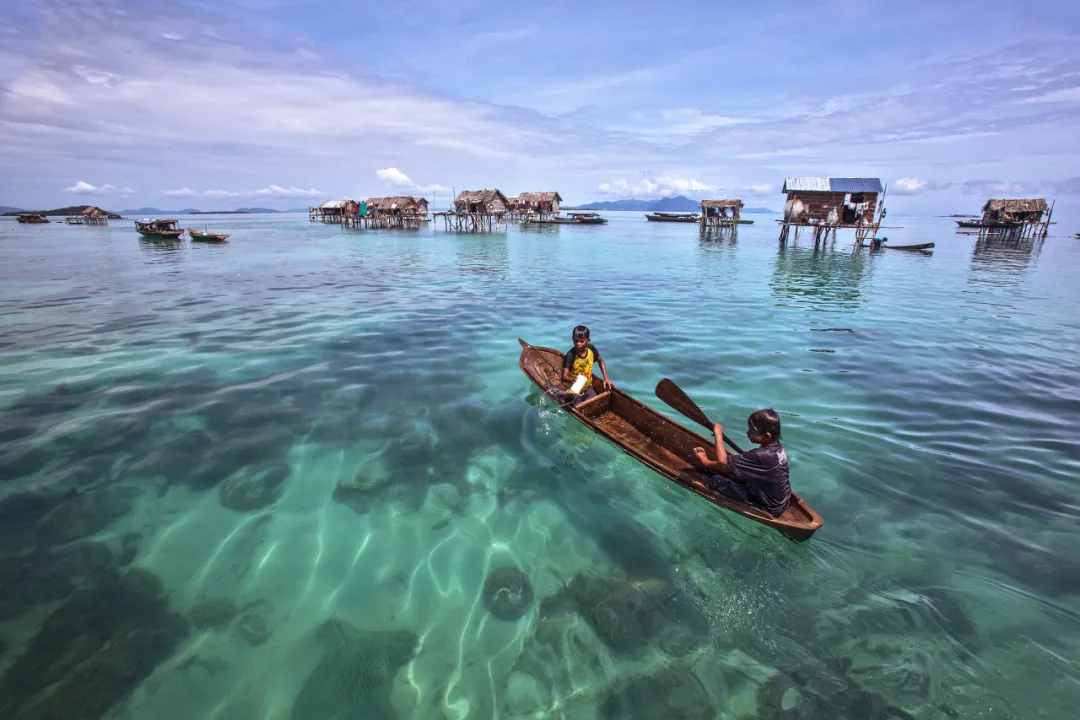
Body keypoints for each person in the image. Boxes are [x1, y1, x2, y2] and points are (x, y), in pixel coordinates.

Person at [690, 409, 791, 517]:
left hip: (766, 507)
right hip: (784, 501)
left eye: (751, 432)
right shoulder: (779, 448)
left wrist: (718, 434)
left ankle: (705, 464)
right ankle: (708, 464)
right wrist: (749, 457)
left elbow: (722, 462)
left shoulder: (759, 456)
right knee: (737, 469)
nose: (747, 433)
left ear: (767, 436)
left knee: (716, 480)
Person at [561, 325, 613, 405]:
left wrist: (605, 378)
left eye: (581, 341)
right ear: (572, 339)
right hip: (574, 390)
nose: (578, 344)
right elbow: (564, 377)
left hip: (588, 387)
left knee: (597, 405)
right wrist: (571, 379)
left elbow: (601, 361)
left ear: (588, 340)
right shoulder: (570, 355)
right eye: (576, 340)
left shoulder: (591, 349)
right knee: (579, 408)